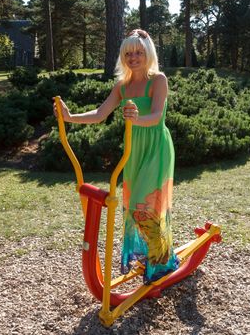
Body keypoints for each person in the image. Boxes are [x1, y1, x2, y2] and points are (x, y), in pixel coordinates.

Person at [54, 29, 179, 284]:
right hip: (133, 148)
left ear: (148, 54)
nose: (134, 57)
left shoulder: (159, 80)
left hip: (156, 146)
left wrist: (136, 119)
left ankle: (161, 260)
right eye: (128, 53)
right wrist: (69, 117)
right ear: (123, 57)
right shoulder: (122, 86)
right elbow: (100, 114)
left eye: (139, 52)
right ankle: (150, 254)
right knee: (134, 205)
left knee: (149, 203)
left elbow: (157, 116)